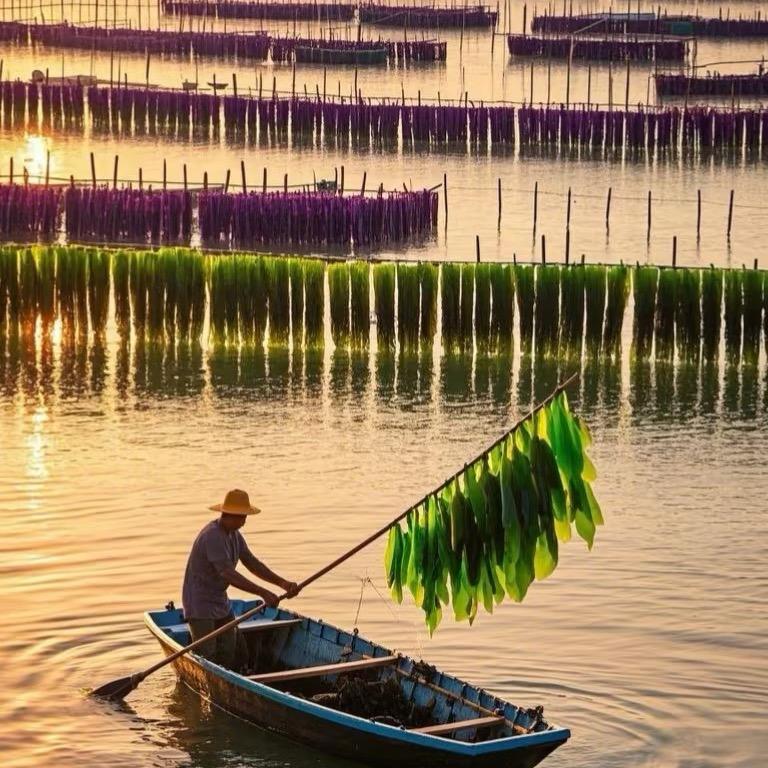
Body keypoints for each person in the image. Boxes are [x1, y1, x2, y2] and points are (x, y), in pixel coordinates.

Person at [181, 489, 299, 670]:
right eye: (242, 517)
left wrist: (282, 583)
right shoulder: (212, 536)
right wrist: (262, 592)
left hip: (219, 600)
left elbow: (252, 563)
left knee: (233, 649)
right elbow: (228, 573)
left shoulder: (234, 535)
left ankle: (232, 679)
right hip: (200, 603)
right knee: (207, 653)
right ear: (230, 515)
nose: (244, 521)